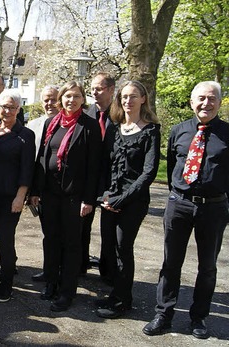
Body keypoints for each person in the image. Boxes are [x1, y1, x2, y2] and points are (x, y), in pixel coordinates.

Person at [143, 81, 229, 339]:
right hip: (179, 204)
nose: (206, 103)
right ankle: (163, 314)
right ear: (192, 102)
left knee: (207, 266)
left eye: (212, 98)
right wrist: (176, 195)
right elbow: (172, 169)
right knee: (171, 263)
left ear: (219, 102)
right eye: (201, 98)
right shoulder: (179, 131)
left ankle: (199, 318)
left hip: (213, 208)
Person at [29, 81, 101, 312]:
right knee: (51, 239)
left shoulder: (89, 126)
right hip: (50, 194)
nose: (71, 100)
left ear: (83, 99)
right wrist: (36, 191)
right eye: (67, 96)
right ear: (61, 99)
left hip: (74, 196)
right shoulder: (53, 123)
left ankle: (66, 291)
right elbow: (42, 158)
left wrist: (89, 200)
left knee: (71, 244)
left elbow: (94, 168)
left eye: (76, 96)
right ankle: (51, 282)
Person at [94, 81, 160, 319]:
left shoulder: (151, 131)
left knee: (124, 249)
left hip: (133, 202)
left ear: (143, 99)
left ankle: (123, 300)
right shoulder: (114, 127)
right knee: (108, 248)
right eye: (124, 97)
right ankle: (115, 293)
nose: (127, 101)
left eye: (133, 96)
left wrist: (122, 199)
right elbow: (104, 165)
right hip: (110, 199)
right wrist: (104, 196)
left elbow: (149, 173)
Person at [0, 89, 36, 302]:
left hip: (10, 196)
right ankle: (7, 268)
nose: (6, 110)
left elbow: (27, 169)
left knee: (5, 238)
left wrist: (20, 196)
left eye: (11, 107)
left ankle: (6, 284)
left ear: (18, 109)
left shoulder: (25, 135)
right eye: (3, 106)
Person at [26, 86, 59, 283]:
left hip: (62, 189)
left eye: (53, 99)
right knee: (48, 233)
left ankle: (63, 271)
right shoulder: (34, 124)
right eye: (46, 99)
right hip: (40, 188)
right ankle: (49, 270)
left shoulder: (68, 125)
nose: (49, 103)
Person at [86, 72, 117, 279]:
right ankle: (80, 265)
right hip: (87, 178)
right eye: (92, 89)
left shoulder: (120, 114)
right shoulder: (86, 113)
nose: (94, 93)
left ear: (111, 90)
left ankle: (108, 271)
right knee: (81, 226)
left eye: (99, 88)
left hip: (111, 179)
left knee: (109, 230)